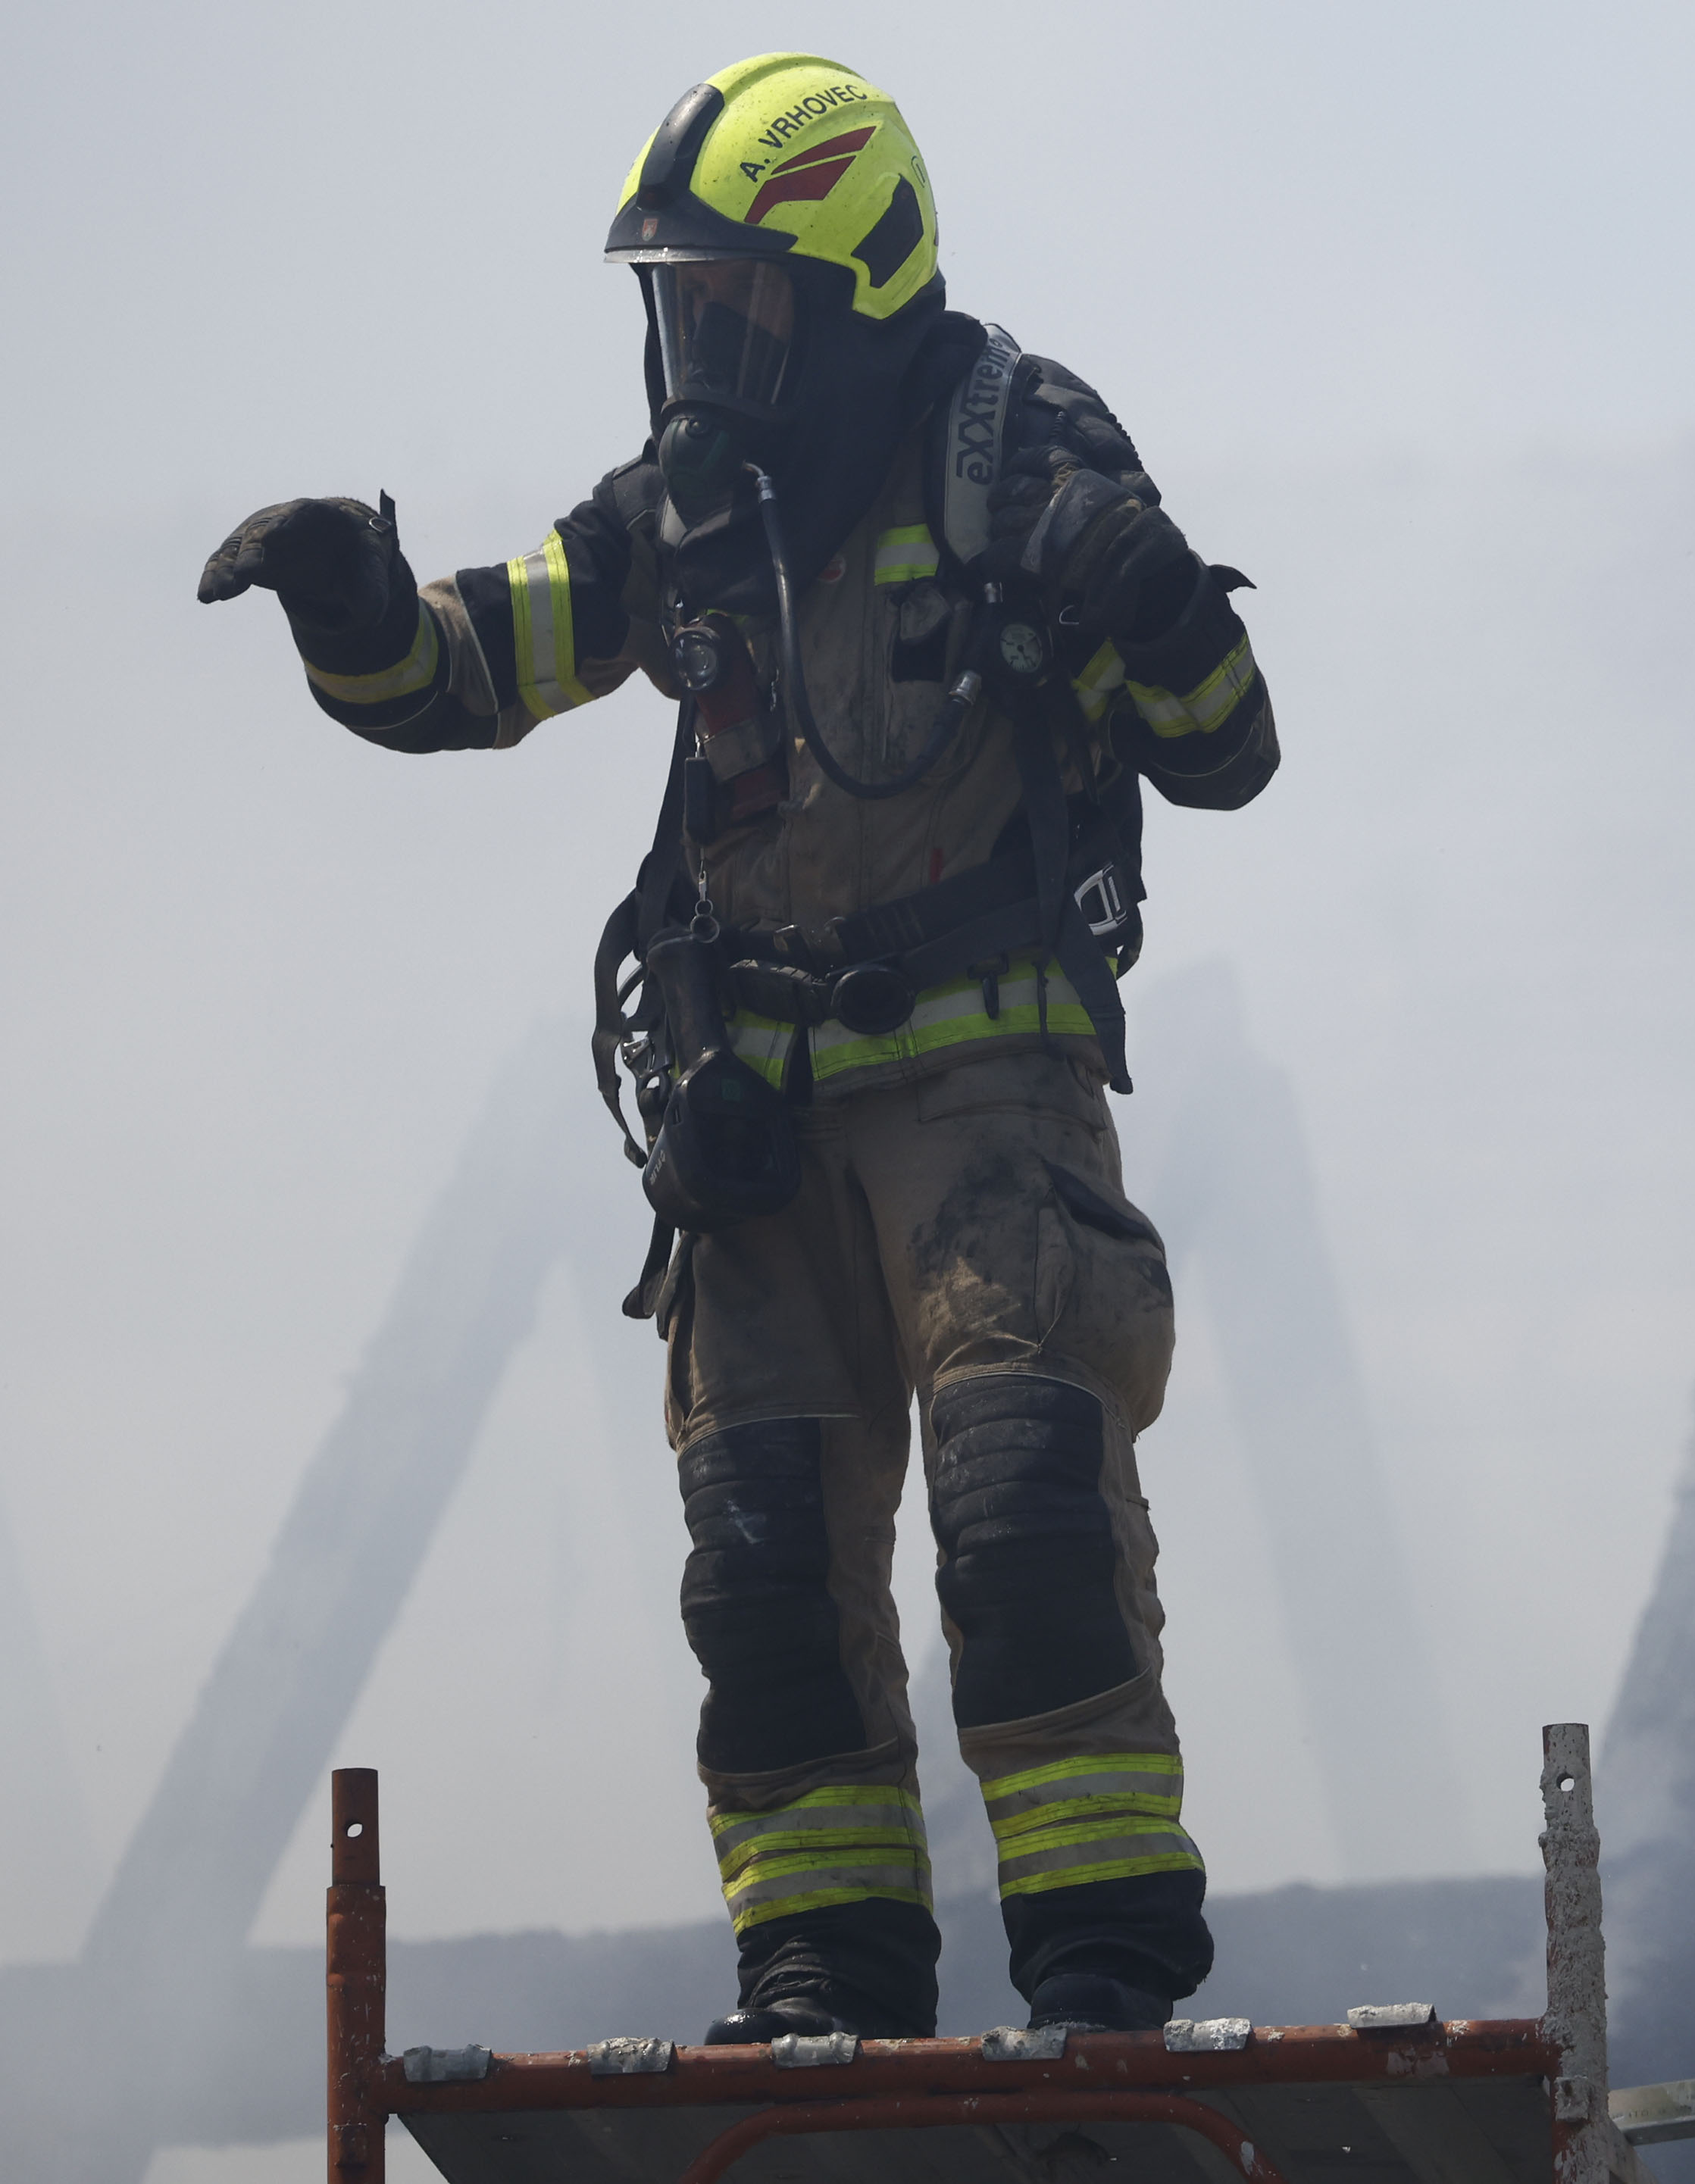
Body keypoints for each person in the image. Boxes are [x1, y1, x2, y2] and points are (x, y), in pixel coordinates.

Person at [198, 53, 1274, 2044]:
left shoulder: (1015, 448)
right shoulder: (692, 513)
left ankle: (1105, 1975)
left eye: (733, 294)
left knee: (1023, 1504)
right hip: (758, 1142)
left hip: (989, 1124)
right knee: (764, 1566)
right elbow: (484, 662)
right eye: (675, 296)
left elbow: (1226, 747)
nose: (696, 339)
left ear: (853, 279)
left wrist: (1130, 581)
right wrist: (356, 607)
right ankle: (820, 1981)